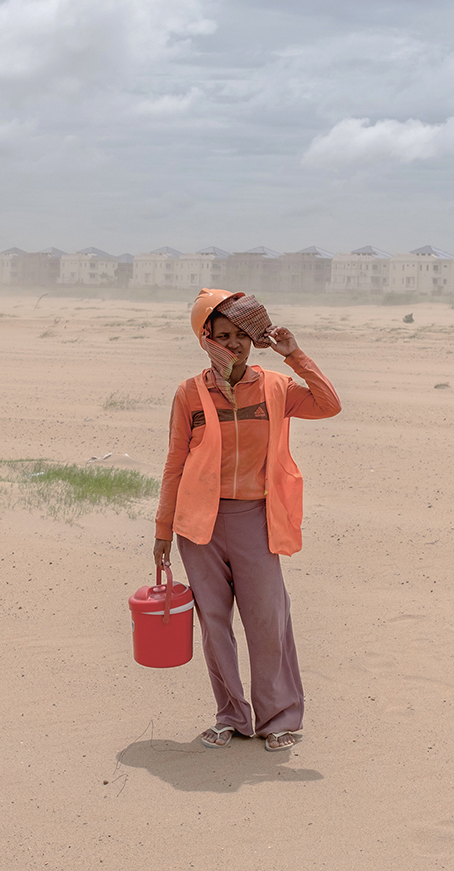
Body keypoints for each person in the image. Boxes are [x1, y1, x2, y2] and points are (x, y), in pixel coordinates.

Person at [153, 289, 341, 752]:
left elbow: (329, 403)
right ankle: (231, 716)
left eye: (241, 335)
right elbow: (175, 462)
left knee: (267, 619)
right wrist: (162, 530)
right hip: (199, 527)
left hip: (256, 518)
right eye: (223, 335)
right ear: (207, 338)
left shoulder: (276, 387)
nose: (233, 344)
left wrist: (294, 354)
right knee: (214, 624)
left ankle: (278, 718)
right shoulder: (190, 393)